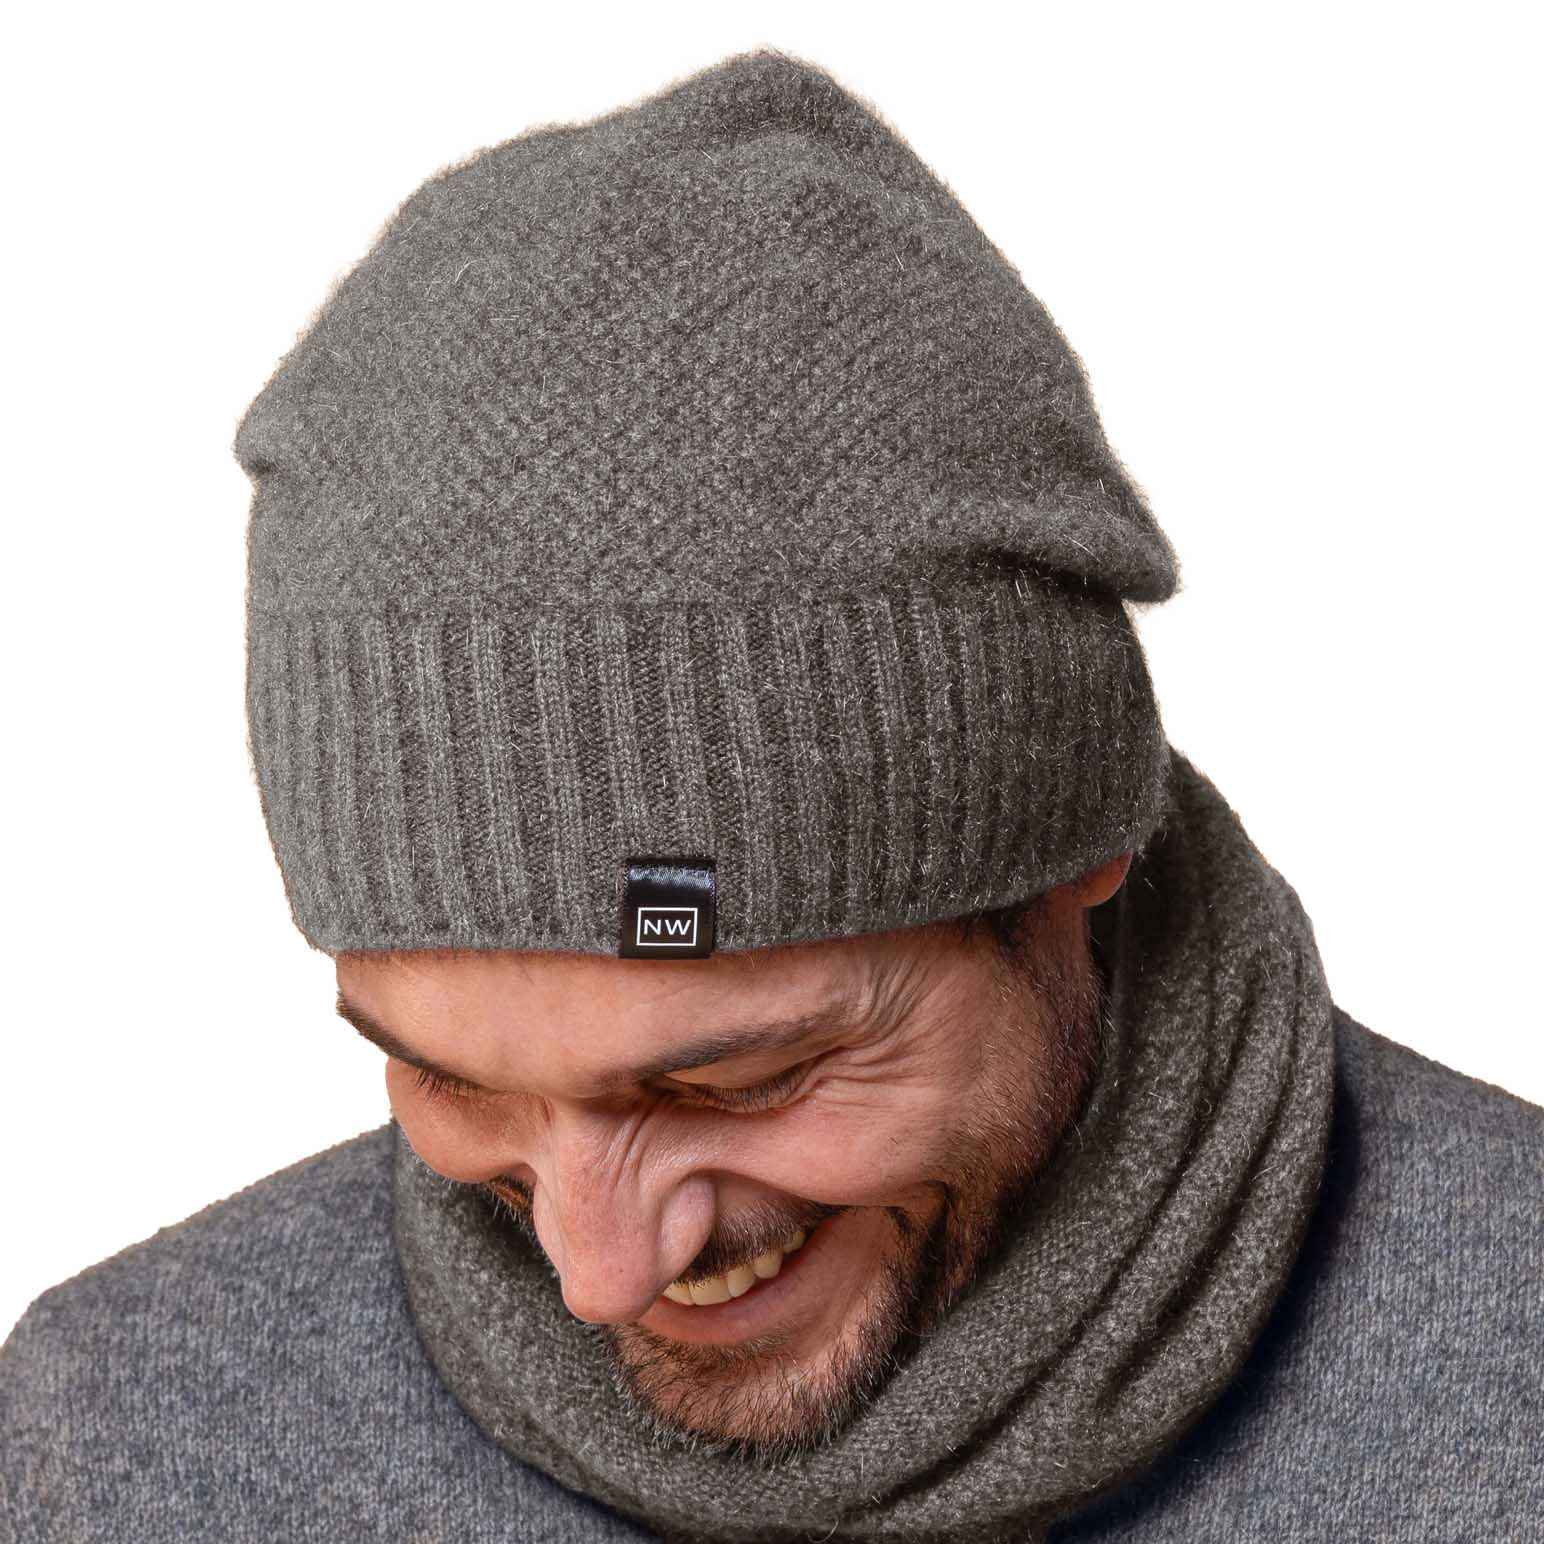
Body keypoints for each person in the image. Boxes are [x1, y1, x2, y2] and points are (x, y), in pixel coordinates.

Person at [2, 45, 1539, 1544]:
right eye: (457, 1085)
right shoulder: (120, 1445)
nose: (600, 1270)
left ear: (1080, 849)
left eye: (737, 1083)